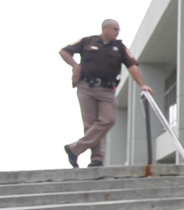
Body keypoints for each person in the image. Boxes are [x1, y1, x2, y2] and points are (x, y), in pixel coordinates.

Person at [60, 19, 153, 168]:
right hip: (86, 87)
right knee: (90, 125)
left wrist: (142, 85)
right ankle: (97, 159)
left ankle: (74, 149)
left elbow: (132, 66)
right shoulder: (88, 41)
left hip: (107, 90)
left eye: (119, 30)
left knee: (108, 120)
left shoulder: (119, 47)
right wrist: (76, 66)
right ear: (105, 28)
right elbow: (64, 51)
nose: (118, 32)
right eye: (115, 29)